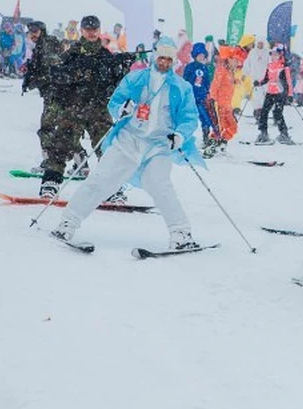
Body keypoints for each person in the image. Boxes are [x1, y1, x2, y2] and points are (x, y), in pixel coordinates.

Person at [49, 39, 205, 251]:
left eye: (169, 59)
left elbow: (189, 117)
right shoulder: (135, 78)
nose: (165, 62)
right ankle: (67, 223)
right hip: (129, 140)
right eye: (161, 57)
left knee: (160, 184)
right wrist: (122, 108)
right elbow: (114, 102)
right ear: (154, 57)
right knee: (100, 180)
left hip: (159, 145)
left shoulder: (181, 86)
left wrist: (179, 135)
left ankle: (181, 234)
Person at [39, 15, 133, 199]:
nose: (91, 33)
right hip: (74, 108)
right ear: (82, 31)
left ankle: (112, 188)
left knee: (108, 149)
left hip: (99, 109)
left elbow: (117, 85)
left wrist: (122, 68)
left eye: (94, 29)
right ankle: (51, 182)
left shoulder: (107, 56)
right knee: (60, 145)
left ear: (99, 31)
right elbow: (57, 77)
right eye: (88, 29)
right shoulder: (71, 54)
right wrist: (80, 73)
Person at [22, 21, 65, 186]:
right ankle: (80, 160)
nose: (32, 33)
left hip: (55, 92)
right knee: (64, 126)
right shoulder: (43, 45)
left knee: (48, 128)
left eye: (35, 30)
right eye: (30, 31)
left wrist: (34, 81)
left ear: (42, 31)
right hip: (55, 92)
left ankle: (49, 161)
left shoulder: (46, 45)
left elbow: (51, 71)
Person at [255, 45, 294, 145]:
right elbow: (266, 79)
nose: (273, 56)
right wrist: (259, 83)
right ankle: (263, 133)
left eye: (275, 54)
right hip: (270, 92)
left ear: (280, 55)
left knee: (277, 113)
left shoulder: (284, 67)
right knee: (264, 112)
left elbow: (289, 82)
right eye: (272, 54)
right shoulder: (270, 65)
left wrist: (290, 95)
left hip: (280, 93)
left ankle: (284, 134)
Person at [207, 45, 242, 150]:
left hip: (227, 105)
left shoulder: (230, 72)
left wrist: (234, 81)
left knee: (232, 126)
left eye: (237, 60)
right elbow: (215, 84)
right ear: (228, 59)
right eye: (234, 60)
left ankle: (222, 141)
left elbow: (225, 84)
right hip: (219, 104)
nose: (237, 63)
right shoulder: (221, 70)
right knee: (219, 127)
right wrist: (212, 99)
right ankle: (214, 143)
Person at [183, 42, 214, 148]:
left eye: (203, 55)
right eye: (199, 55)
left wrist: (207, 92)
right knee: (188, 119)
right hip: (191, 98)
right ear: (195, 55)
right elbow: (185, 81)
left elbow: (207, 82)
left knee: (205, 118)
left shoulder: (205, 68)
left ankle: (206, 137)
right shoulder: (189, 67)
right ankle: (183, 138)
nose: (201, 57)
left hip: (201, 98)